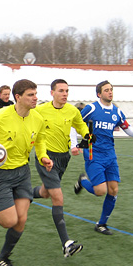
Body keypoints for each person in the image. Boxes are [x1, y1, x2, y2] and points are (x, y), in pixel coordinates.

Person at [0, 79, 52, 266]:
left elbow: (40, 139)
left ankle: (3, 257)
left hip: (23, 173)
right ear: (18, 97)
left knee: (21, 220)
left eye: (35, 94)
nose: (35, 98)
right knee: (9, 221)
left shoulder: (37, 118)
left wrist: (43, 156)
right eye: (30, 95)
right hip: (0, 174)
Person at [74, 80, 133, 235]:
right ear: (99, 94)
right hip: (93, 154)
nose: (110, 92)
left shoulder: (116, 112)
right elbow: (75, 124)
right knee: (100, 191)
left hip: (110, 155)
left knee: (113, 190)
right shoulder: (91, 108)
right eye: (106, 90)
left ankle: (101, 224)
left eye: (111, 89)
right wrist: (74, 144)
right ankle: (83, 181)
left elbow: (126, 127)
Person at [32, 79, 92, 257]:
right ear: (52, 93)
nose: (65, 94)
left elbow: (80, 125)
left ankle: (19, 193)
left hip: (64, 158)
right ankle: (66, 243)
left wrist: (87, 135)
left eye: (66, 91)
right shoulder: (40, 110)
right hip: (46, 157)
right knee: (57, 197)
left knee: (45, 192)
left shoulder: (72, 110)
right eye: (61, 91)